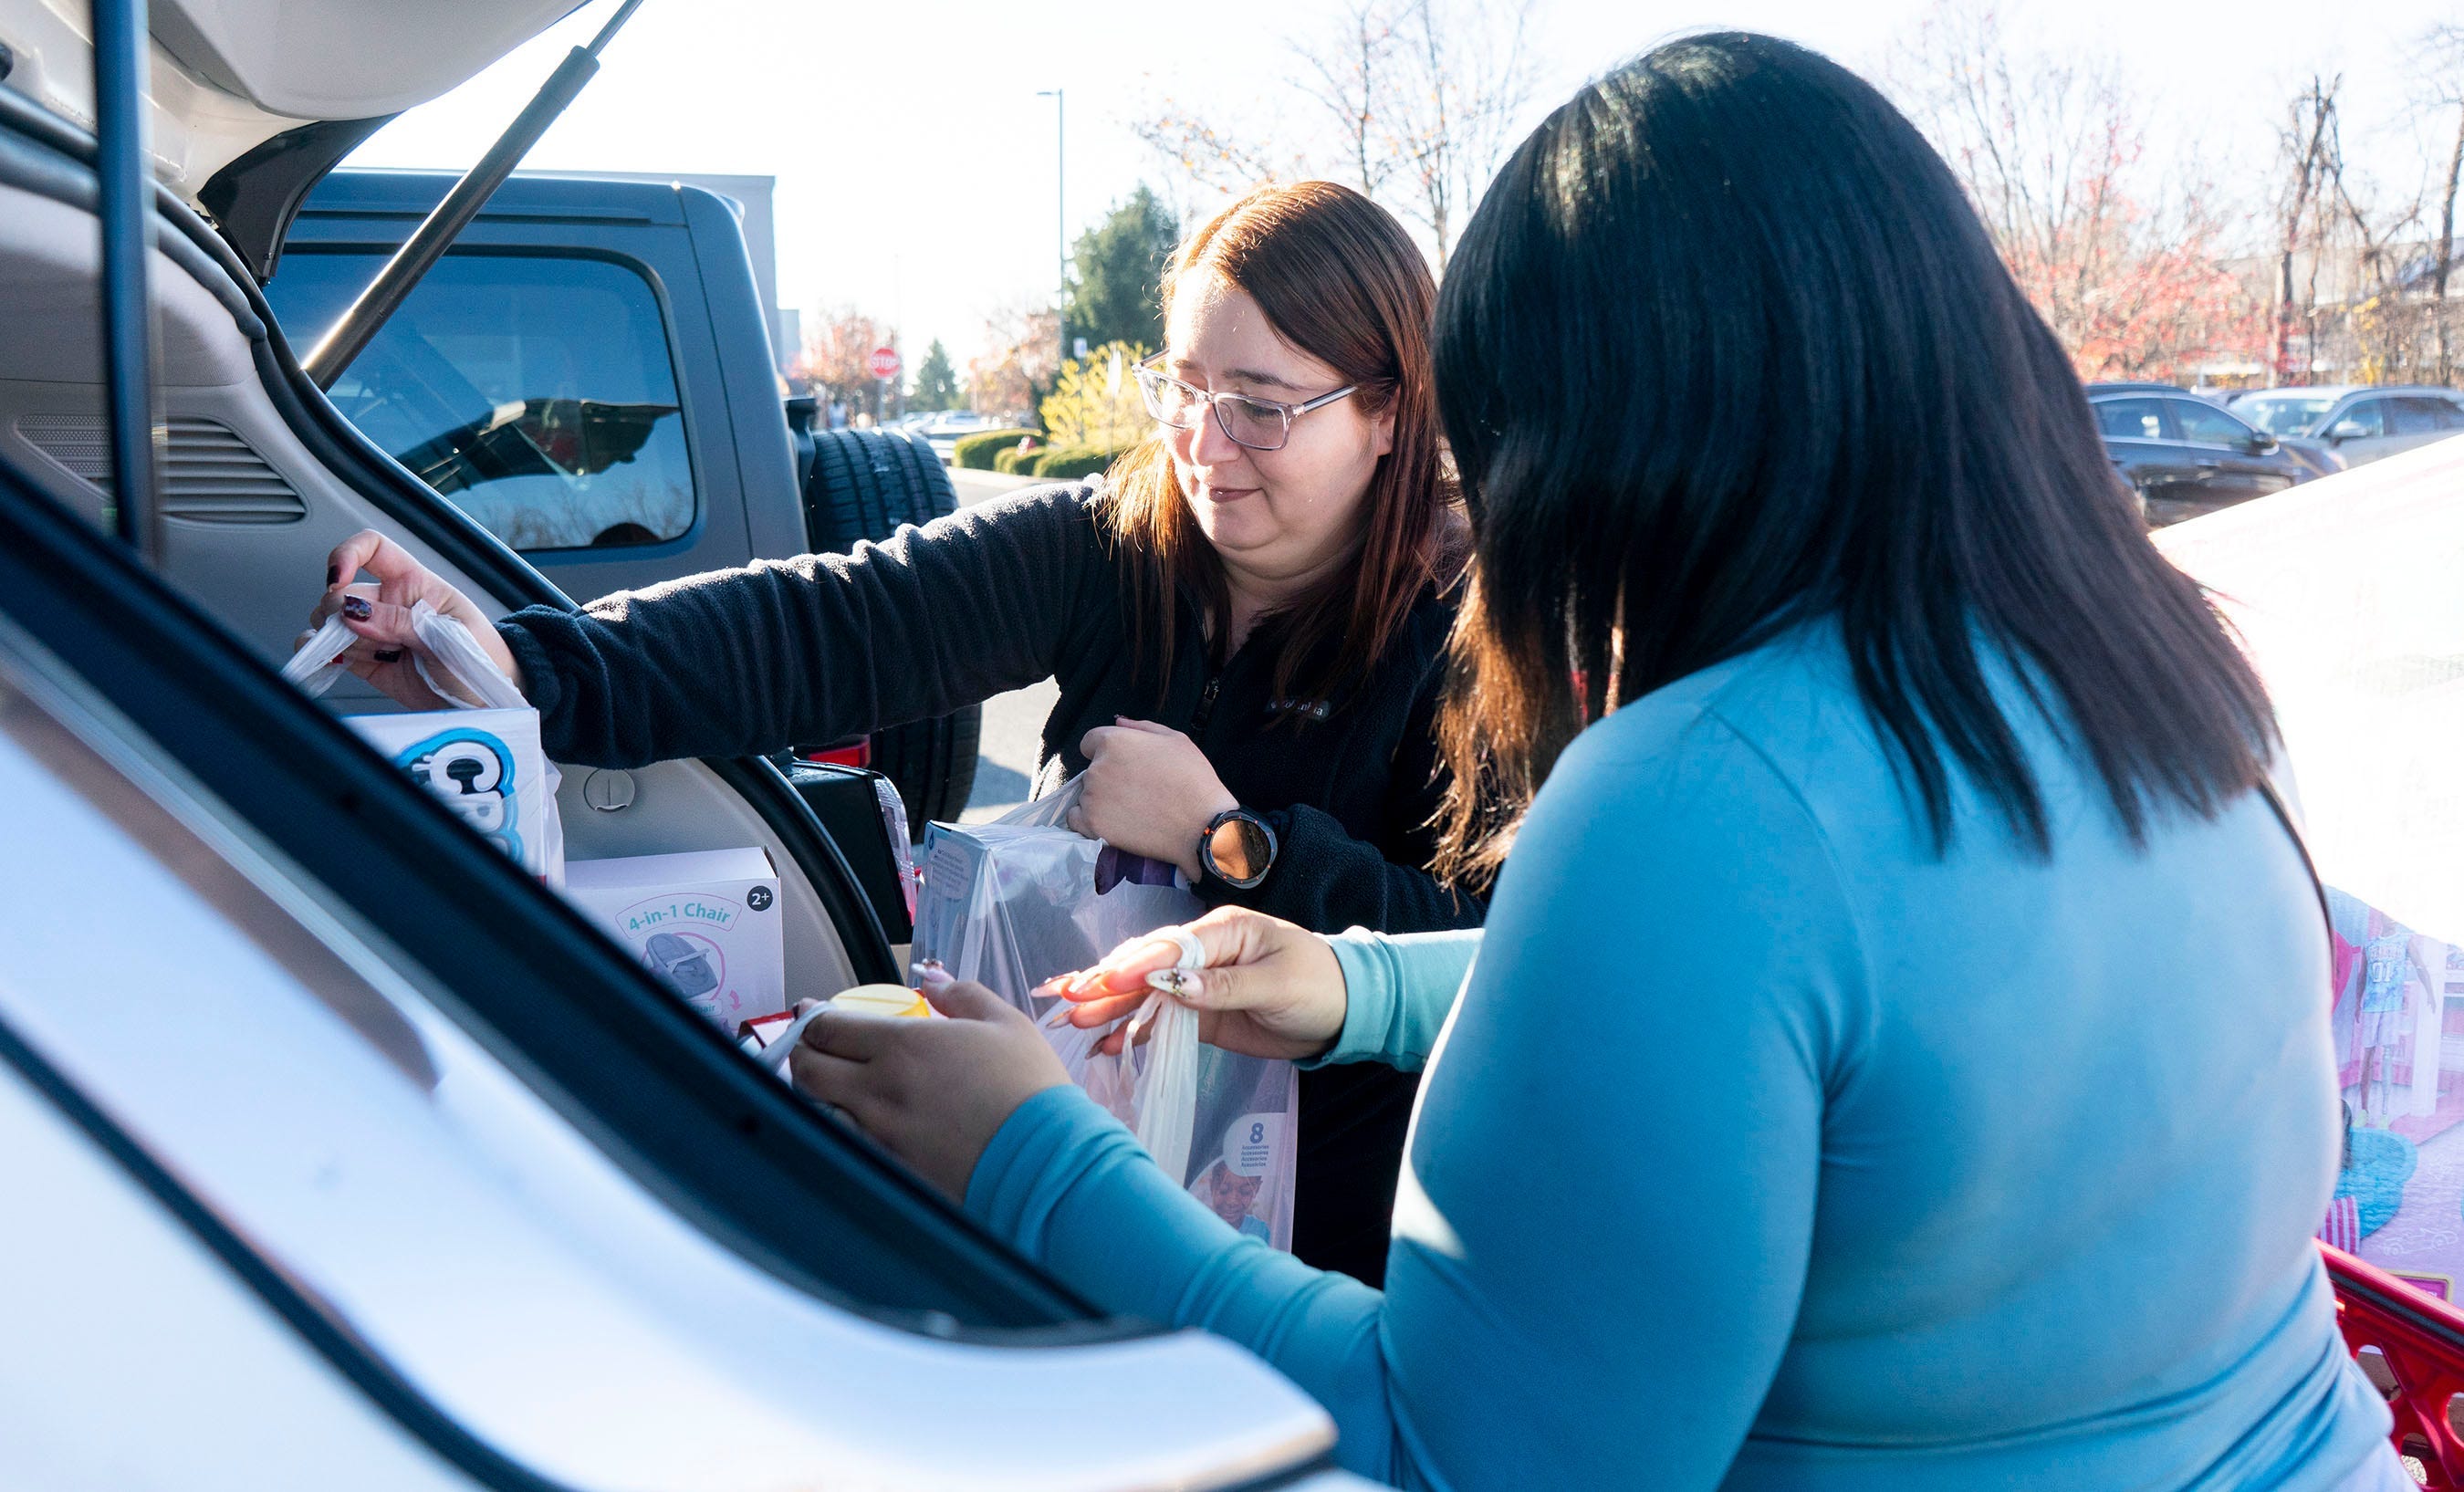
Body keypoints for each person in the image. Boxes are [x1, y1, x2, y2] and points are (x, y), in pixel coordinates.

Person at [782, 34, 2404, 1491]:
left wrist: (1027, 1156)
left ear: (1617, 451)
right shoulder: (2177, 680)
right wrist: (1364, 987)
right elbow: (1838, 1024)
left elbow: (1462, 1453)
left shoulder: (1698, 798)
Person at [308, 180, 1479, 1287]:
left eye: (1261, 409)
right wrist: (520, 664)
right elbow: (830, 626)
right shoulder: (1111, 547)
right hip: (1085, 1179)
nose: (1203, 447)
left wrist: (1233, 843)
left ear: (1389, 413)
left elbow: (1491, 960)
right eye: (1182, 389)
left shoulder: (1479, 635)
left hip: (1332, 1247)